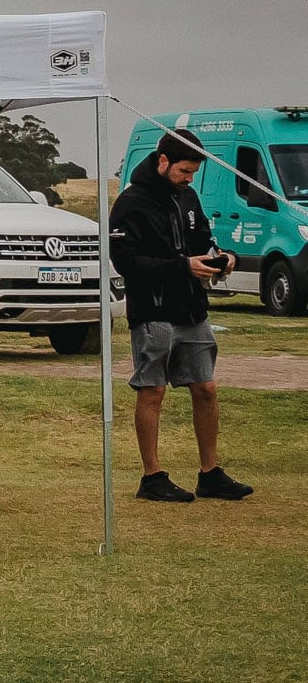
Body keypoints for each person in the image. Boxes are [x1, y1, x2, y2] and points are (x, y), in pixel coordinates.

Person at [110, 130, 254, 502]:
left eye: (193, 172)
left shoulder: (188, 198)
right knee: (152, 390)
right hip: (152, 310)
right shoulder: (130, 203)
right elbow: (124, 261)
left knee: (205, 388)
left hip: (191, 309)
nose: (189, 178)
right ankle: (152, 477)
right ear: (163, 162)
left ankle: (210, 473)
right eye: (184, 171)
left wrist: (220, 258)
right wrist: (181, 266)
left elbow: (201, 241)